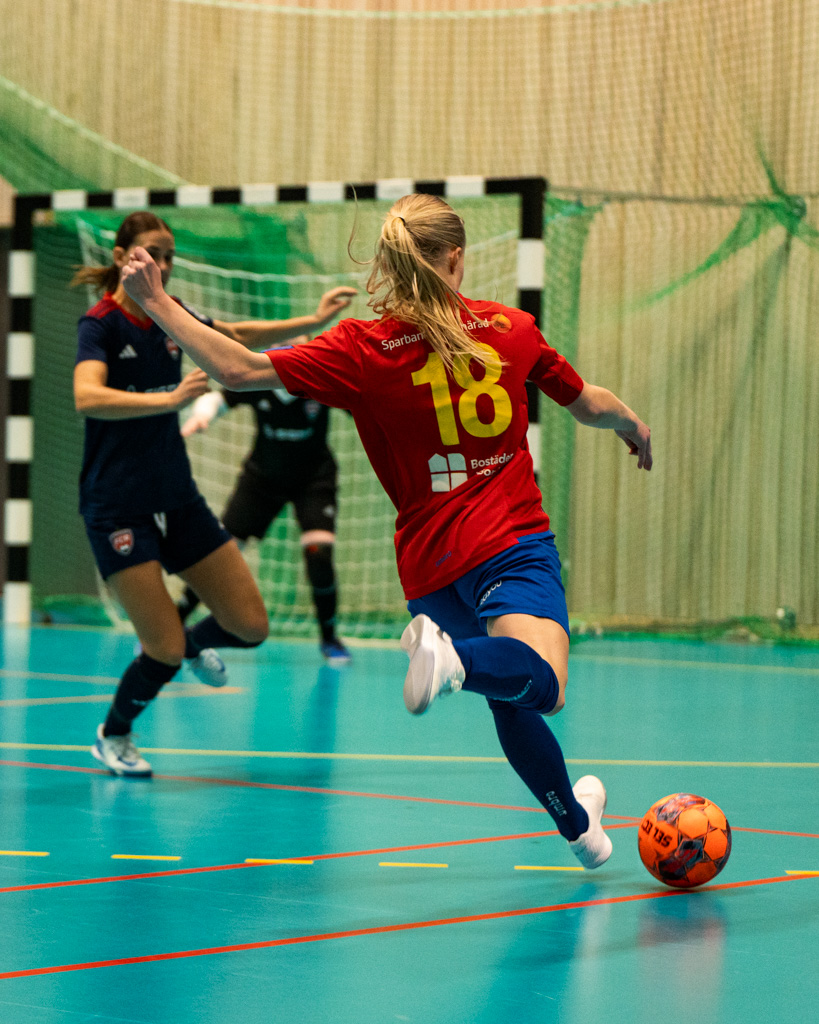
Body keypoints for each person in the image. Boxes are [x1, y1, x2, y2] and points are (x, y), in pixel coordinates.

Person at [120, 194, 652, 868]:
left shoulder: (362, 348)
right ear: (455, 258)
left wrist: (157, 302)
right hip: (509, 543)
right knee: (542, 681)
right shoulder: (512, 328)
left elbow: (237, 369)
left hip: (430, 567)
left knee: (507, 694)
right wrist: (632, 424)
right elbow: (588, 405)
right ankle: (454, 662)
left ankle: (580, 830)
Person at [73, 210, 355, 777]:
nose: (163, 264)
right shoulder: (101, 325)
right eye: (152, 253)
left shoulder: (172, 315)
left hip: (177, 499)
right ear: (124, 256)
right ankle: (114, 734)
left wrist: (314, 319)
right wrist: (169, 401)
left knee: (250, 625)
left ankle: (194, 643)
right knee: (161, 649)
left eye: (169, 256)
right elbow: (87, 397)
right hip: (117, 506)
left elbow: (239, 337)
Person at [178, 359, 352, 665]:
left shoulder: (319, 376)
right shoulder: (259, 376)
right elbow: (219, 399)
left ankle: (329, 638)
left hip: (314, 478)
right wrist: (202, 415)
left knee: (319, 553)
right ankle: (174, 622)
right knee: (223, 553)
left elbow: (364, 402)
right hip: (262, 480)